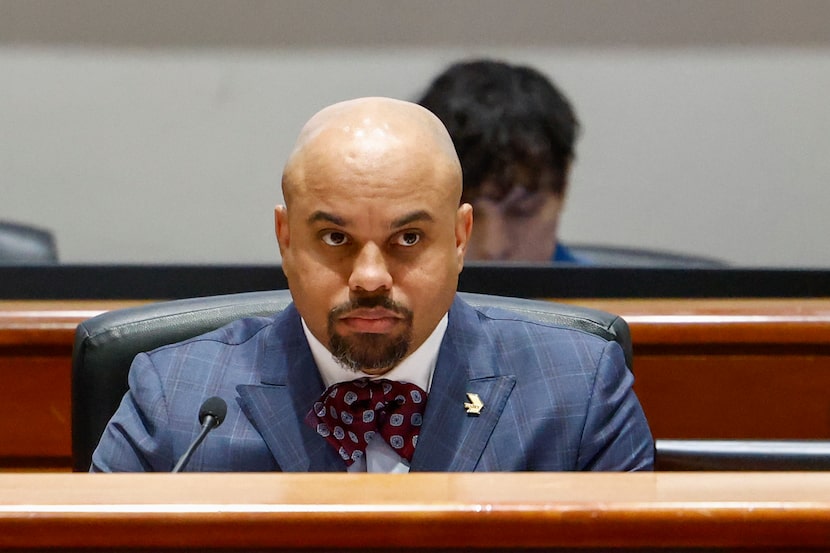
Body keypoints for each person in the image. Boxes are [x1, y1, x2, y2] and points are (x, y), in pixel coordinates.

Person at [91, 97, 653, 472]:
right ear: (286, 239)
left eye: (407, 238)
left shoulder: (577, 391)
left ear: (460, 239)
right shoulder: (177, 400)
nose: (369, 278)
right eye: (335, 238)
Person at [417, 59, 583, 262]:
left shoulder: (606, 285)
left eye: (522, 210)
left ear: (564, 188)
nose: (493, 248)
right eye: (461, 216)